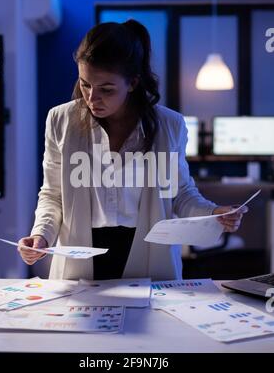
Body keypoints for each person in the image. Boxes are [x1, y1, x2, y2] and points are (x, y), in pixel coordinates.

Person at [18, 19, 247, 280]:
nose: (92, 98)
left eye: (106, 89)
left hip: (148, 255)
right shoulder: (61, 120)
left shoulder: (169, 125)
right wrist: (41, 235)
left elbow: (180, 194)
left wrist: (213, 212)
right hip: (80, 258)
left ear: (133, 83)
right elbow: (53, 194)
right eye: (85, 84)